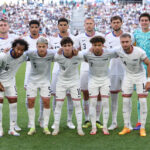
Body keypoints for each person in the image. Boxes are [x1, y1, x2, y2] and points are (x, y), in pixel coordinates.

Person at [118, 33, 150, 137]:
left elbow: (148, 63)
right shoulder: (118, 51)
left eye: (127, 42)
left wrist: (149, 80)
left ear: (131, 42)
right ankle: (127, 127)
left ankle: (142, 128)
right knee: (126, 101)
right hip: (128, 76)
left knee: (143, 101)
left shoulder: (139, 51)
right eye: (123, 42)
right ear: (120, 43)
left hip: (140, 76)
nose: (125, 44)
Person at [84, 36, 117, 135]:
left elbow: (120, 51)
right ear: (92, 45)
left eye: (99, 45)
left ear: (103, 45)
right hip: (93, 80)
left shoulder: (109, 53)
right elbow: (77, 55)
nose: (97, 47)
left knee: (106, 102)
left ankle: (105, 127)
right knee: (93, 102)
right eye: (95, 45)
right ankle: (93, 127)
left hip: (105, 80)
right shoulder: (87, 54)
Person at [52, 37, 84, 136]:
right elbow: (54, 56)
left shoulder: (78, 56)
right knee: (59, 105)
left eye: (69, 45)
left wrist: (77, 52)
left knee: (77, 104)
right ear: (62, 47)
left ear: (72, 46)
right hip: (61, 82)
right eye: (65, 46)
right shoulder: (58, 57)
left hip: (75, 82)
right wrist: (58, 52)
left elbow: (83, 56)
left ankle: (79, 128)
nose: (67, 48)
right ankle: (56, 127)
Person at [105, 16, 132, 130]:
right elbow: (106, 52)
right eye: (114, 22)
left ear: (122, 23)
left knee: (127, 98)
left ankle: (128, 123)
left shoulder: (127, 36)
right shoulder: (107, 37)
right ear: (111, 24)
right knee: (114, 97)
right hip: (113, 70)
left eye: (118, 22)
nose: (116, 24)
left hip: (126, 71)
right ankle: (114, 122)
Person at [76, 17, 104, 129]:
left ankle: (97, 119)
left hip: (98, 68)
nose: (89, 25)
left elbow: (104, 50)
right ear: (84, 25)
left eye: (90, 23)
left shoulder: (100, 36)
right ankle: (87, 119)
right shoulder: (79, 37)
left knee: (99, 94)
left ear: (94, 24)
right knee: (85, 93)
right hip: (85, 68)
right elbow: (76, 51)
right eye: (87, 23)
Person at [23, 20, 50, 128]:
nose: (34, 29)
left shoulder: (45, 39)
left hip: (44, 71)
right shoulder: (25, 40)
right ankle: (31, 121)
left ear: (39, 28)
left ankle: (42, 119)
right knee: (28, 99)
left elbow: (51, 52)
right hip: (29, 71)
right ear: (29, 28)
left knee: (44, 98)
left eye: (36, 27)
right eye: (32, 27)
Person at [50, 18, 76, 129]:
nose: (63, 27)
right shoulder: (52, 39)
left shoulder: (74, 39)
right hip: (57, 72)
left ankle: (69, 121)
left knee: (70, 97)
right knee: (56, 97)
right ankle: (56, 121)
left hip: (71, 72)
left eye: (65, 25)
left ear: (68, 26)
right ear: (58, 26)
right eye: (61, 25)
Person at [26, 37, 56, 135]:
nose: (42, 48)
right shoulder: (31, 53)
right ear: (36, 46)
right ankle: (32, 127)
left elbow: (63, 53)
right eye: (39, 46)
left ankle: (46, 126)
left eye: (43, 46)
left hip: (45, 82)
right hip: (32, 82)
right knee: (31, 102)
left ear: (47, 46)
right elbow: (19, 54)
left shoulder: (51, 53)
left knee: (46, 102)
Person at [0, 39, 28, 137]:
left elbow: (35, 54)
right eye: (17, 49)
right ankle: (0, 129)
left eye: (22, 50)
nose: (19, 52)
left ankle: (11, 129)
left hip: (11, 82)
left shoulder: (24, 56)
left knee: (13, 105)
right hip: (0, 82)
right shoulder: (3, 56)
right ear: (13, 47)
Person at [133, 12, 150, 130]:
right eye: (142, 20)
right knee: (141, 96)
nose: (144, 22)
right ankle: (140, 121)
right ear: (139, 22)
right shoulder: (135, 34)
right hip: (141, 69)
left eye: (146, 20)